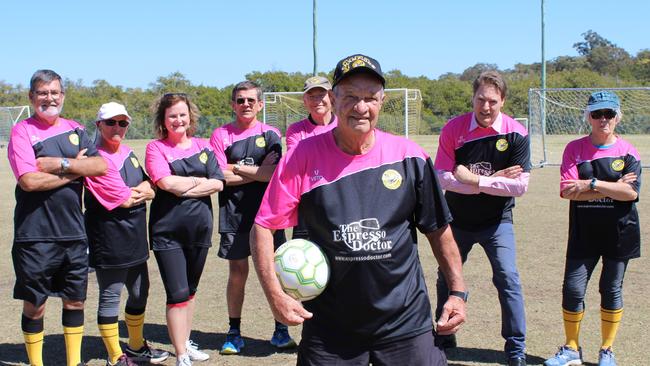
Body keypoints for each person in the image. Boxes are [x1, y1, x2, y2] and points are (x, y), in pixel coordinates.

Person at [250, 54, 467, 366]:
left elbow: (438, 229)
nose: (361, 107)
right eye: (350, 96)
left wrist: (457, 292)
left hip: (405, 323)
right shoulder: (303, 157)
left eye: (370, 98)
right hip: (331, 326)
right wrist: (275, 295)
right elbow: (263, 225)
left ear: (381, 102)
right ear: (334, 99)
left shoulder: (410, 158)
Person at [7, 69, 108, 366]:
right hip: (35, 235)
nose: (48, 98)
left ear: (62, 96)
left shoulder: (76, 129)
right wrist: (73, 169)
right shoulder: (22, 131)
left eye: (54, 92)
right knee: (35, 305)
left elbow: (100, 165)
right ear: (31, 97)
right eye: (42, 93)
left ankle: (73, 362)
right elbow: (29, 181)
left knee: (75, 301)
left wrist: (56, 164)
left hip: (74, 233)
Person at [433, 70, 530, 366]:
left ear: (502, 101)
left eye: (492, 101)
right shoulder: (453, 128)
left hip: (497, 221)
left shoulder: (516, 133)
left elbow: (520, 185)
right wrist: (492, 180)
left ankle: (515, 347)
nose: (485, 107)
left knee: (508, 278)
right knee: (445, 278)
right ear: (473, 98)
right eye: (480, 100)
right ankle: (444, 334)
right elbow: (441, 177)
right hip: (457, 220)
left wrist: (475, 180)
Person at [543, 91, 641, 366]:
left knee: (611, 290)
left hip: (620, 233)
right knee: (573, 290)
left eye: (608, 114)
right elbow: (566, 191)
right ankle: (571, 348)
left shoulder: (629, 152)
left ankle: (607, 350)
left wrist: (591, 184)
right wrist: (613, 187)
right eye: (597, 114)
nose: (603, 119)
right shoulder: (574, 149)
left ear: (618, 117)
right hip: (583, 233)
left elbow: (630, 194)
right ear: (588, 117)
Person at [209, 80, 294, 354]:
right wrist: (255, 171)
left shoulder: (270, 134)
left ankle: (281, 330)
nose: (245, 104)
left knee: (276, 273)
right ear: (233, 104)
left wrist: (238, 169)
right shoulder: (220, 134)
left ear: (260, 104)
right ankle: (234, 332)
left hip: (269, 216)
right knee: (238, 273)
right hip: (234, 215)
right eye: (240, 100)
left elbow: (273, 174)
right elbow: (219, 175)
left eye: (250, 100)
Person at [84, 102, 169, 366]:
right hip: (109, 239)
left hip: (135, 238)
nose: (117, 128)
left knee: (139, 291)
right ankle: (115, 356)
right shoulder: (93, 160)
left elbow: (151, 186)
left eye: (122, 123)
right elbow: (122, 200)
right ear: (98, 125)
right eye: (111, 122)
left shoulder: (129, 152)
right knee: (110, 297)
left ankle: (135, 347)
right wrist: (137, 193)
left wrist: (139, 191)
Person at [145, 93, 224, 366]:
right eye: (172, 116)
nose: (178, 120)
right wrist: (197, 182)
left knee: (190, 291)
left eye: (182, 114)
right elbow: (166, 184)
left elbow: (218, 183)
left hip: (200, 231)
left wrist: (186, 186)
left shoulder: (205, 145)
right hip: (167, 232)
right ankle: (180, 354)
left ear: (190, 116)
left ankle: (185, 343)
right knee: (177, 294)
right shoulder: (156, 148)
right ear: (163, 121)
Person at [285, 75, 338, 239]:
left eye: (321, 95)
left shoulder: (344, 125)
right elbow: (297, 164)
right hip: (308, 208)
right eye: (311, 96)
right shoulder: (295, 130)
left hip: (340, 204)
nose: (317, 101)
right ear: (305, 101)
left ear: (331, 97)